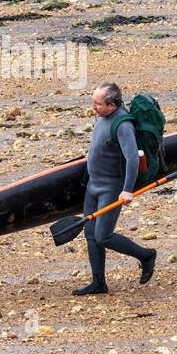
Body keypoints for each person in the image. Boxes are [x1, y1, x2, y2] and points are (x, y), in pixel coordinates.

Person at [74, 82, 158, 295]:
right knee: (91, 234)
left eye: (98, 104)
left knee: (103, 236)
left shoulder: (122, 124)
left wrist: (127, 189)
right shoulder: (101, 117)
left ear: (112, 104)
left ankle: (146, 255)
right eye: (93, 102)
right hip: (93, 185)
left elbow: (131, 158)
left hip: (111, 188)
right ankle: (98, 283)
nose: (93, 107)